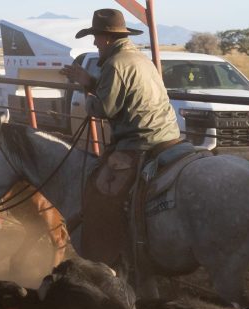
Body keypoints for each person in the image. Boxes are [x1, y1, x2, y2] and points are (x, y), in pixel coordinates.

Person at [59, 8, 183, 266]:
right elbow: (121, 93)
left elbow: (104, 109)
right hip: (168, 136)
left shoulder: (115, 64)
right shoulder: (139, 60)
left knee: (99, 189)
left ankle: (112, 253)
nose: (94, 42)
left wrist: (85, 88)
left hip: (140, 141)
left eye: (95, 37)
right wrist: (92, 81)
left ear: (105, 38)